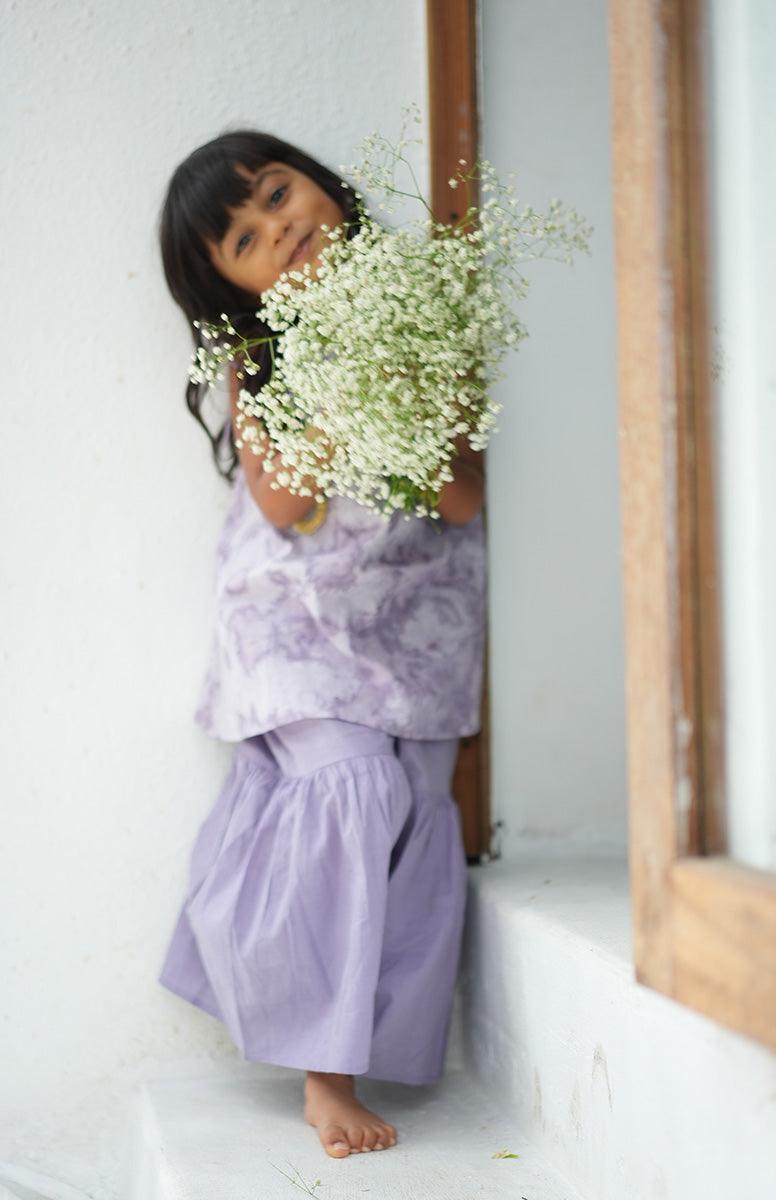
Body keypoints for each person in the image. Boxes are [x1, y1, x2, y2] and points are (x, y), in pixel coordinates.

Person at [156, 130, 486, 1159]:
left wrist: (403, 378)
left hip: (410, 616)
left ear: (323, 185)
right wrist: (332, 382)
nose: (280, 226)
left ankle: (372, 1034)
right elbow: (286, 502)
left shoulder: (420, 316)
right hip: (291, 620)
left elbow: (463, 491)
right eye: (248, 238)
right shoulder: (263, 362)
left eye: (276, 192)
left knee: (412, 808)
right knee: (347, 789)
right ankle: (324, 1075)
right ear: (240, 291)